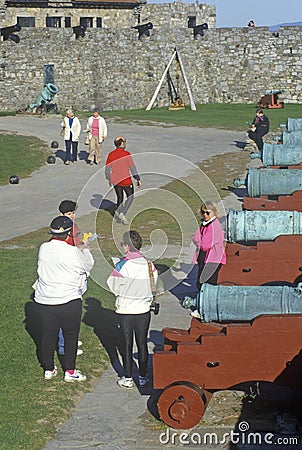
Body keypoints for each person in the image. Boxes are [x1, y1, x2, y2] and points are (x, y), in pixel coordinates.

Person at [34, 215, 94, 382]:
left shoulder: (43, 248)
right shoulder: (73, 252)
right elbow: (88, 266)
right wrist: (86, 249)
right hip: (68, 300)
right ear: (68, 235)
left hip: (45, 300)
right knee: (70, 336)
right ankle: (70, 371)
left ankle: (49, 369)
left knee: (48, 335)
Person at [107, 230, 158, 389]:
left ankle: (128, 377)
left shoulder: (122, 265)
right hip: (143, 310)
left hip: (125, 311)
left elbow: (113, 285)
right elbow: (153, 284)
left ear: (126, 246)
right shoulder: (149, 265)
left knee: (126, 344)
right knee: (142, 343)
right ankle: (142, 377)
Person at [105, 136, 141, 225]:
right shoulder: (126, 154)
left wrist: (109, 178)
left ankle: (119, 210)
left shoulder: (111, 154)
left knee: (119, 197)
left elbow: (107, 169)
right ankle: (122, 213)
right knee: (130, 196)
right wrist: (137, 178)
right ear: (122, 143)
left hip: (115, 180)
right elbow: (132, 167)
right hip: (125, 180)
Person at [192, 201, 226, 294]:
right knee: (200, 283)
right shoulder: (205, 224)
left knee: (208, 283)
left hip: (213, 259)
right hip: (204, 257)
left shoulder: (214, 226)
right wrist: (199, 239)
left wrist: (199, 240)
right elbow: (195, 237)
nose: (205, 215)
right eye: (203, 212)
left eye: (208, 212)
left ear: (214, 212)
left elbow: (205, 245)